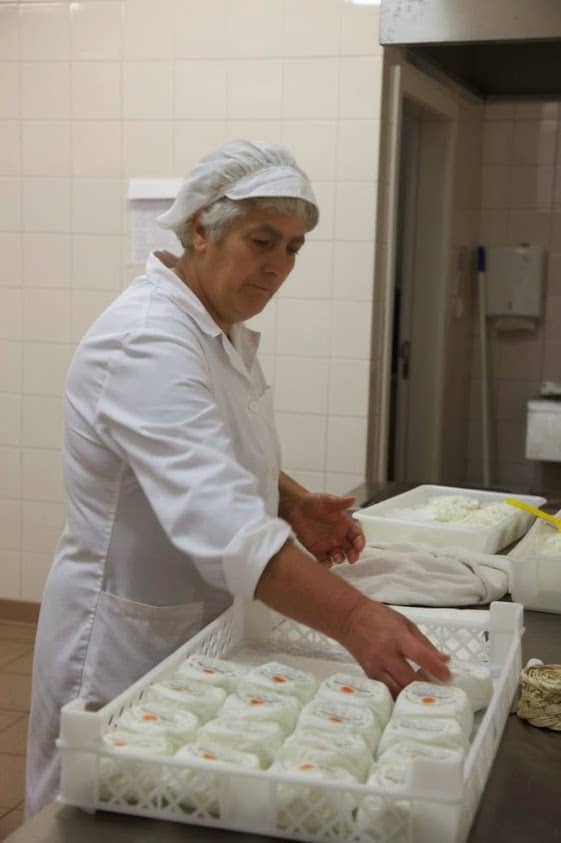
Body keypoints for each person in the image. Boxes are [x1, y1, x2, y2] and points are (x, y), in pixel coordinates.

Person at [25, 139, 449, 817]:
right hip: (120, 643)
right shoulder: (148, 339)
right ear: (200, 228)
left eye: (293, 248)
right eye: (262, 241)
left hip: (190, 627)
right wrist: (356, 618)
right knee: (88, 813)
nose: (278, 267)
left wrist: (291, 501)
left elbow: (207, 448)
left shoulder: (215, 329)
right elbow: (217, 515)